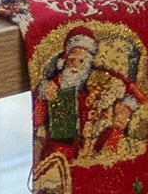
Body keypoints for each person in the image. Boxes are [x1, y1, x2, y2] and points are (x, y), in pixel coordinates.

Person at [35, 29, 141, 157]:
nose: (75, 65)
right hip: (63, 139)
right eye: (72, 59)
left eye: (81, 61)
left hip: (97, 136)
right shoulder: (56, 83)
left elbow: (133, 90)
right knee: (58, 152)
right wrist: (43, 92)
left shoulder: (100, 77)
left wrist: (126, 108)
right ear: (65, 60)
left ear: (89, 62)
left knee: (113, 142)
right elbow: (38, 115)